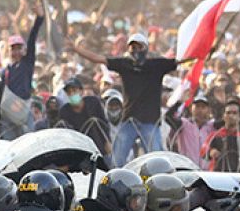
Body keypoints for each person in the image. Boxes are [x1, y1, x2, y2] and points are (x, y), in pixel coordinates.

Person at [71, 33, 178, 167]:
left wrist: (205, 51)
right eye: (132, 47)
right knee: (117, 161)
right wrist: (76, 49)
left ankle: (159, 184)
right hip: (129, 120)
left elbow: (180, 61)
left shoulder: (157, 65)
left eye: (138, 46)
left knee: (156, 160)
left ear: (145, 48)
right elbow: (98, 59)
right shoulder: (124, 64)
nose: (135, 50)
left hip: (150, 121)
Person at [0, 0, 45, 136]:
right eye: (13, 49)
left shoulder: (27, 63)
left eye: (19, 48)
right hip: (8, 113)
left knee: (28, 143)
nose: (16, 52)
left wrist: (39, 18)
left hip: (24, 110)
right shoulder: (6, 71)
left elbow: (32, 38)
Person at [203, 100, 240, 172]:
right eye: (228, 113)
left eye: (234, 113)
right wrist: (211, 151)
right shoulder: (216, 135)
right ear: (223, 116)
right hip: (218, 176)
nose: (231, 116)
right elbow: (203, 149)